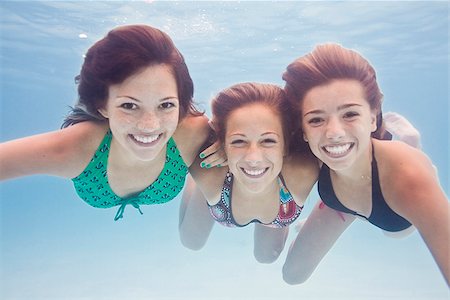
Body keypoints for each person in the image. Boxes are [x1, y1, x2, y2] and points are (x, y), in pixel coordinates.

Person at [0, 24, 210, 221]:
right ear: (101, 106)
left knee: (195, 241)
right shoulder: (76, 147)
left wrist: (224, 145)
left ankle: (197, 176)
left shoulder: (193, 133)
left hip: (198, 187)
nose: (150, 125)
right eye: (129, 106)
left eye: (166, 105)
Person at [281, 43, 449, 285]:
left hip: (391, 211)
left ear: (373, 118)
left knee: (395, 235)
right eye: (316, 119)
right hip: (340, 200)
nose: (333, 133)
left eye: (349, 114)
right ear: (304, 130)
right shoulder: (308, 152)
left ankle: (412, 144)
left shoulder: (409, 179)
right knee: (292, 275)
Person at [178, 82, 319, 263]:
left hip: (281, 204)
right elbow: (174, 120)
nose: (253, 158)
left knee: (266, 257)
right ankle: (196, 181)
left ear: (286, 143)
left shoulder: (304, 169)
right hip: (222, 189)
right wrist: (211, 138)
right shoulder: (207, 171)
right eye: (238, 141)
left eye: (268, 140)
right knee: (191, 241)